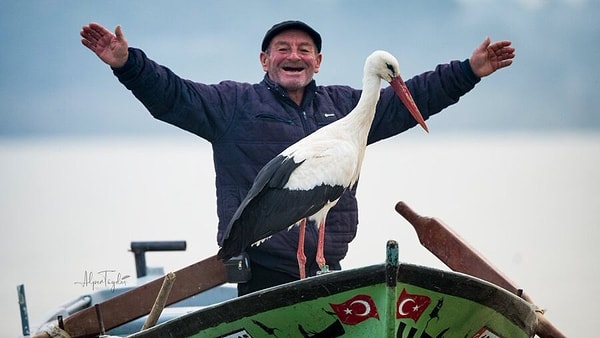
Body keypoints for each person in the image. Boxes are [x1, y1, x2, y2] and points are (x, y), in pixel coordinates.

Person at [80, 20, 515, 296]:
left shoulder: (350, 108)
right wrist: (127, 64)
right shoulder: (233, 105)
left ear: (319, 61)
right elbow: (173, 96)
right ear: (264, 59)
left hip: (330, 267)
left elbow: (409, 95)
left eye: (305, 49)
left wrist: (468, 71)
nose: (294, 55)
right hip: (260, 273)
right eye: (283, 48)